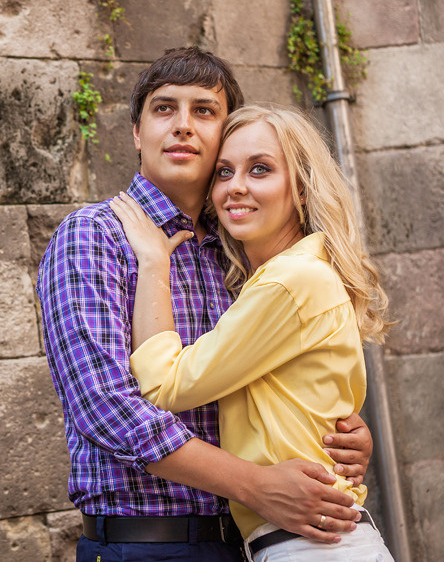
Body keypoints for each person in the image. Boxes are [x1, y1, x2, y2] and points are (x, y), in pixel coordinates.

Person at [37, 47, 372, 561]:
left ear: (223, 137)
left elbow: (274, 382)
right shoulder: (95, 236)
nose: (182, 126)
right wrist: (255, 485)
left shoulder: (242, 248)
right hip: (149, 543)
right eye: (164, 109)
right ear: (136, 132)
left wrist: (335, 434)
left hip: (257, 541)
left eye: (204, 111)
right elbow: (106, 410)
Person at [111, 104, 393, 560]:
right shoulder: (290, 274)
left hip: (312, 546)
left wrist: (154, 264)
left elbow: (165, 385)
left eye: (259, 169)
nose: (236, 186)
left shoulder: (290, 280)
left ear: (301, 190)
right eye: (224, 172)